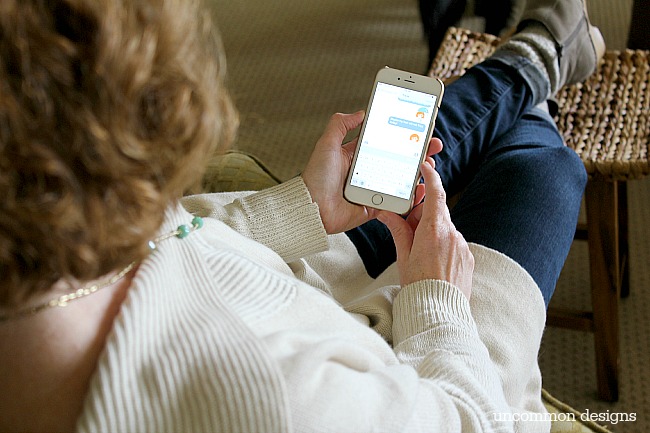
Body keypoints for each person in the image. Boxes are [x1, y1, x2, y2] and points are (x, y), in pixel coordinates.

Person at [0, 0, 604, 431]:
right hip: (433, 363)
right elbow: (469, 421)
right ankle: (533, 68)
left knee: (407, 153)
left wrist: (304, 208)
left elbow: (179, 243)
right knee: (542, 165)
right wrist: (436, 299)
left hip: (307, 274)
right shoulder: (267, 393)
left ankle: (531, 67)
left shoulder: (62, 254)